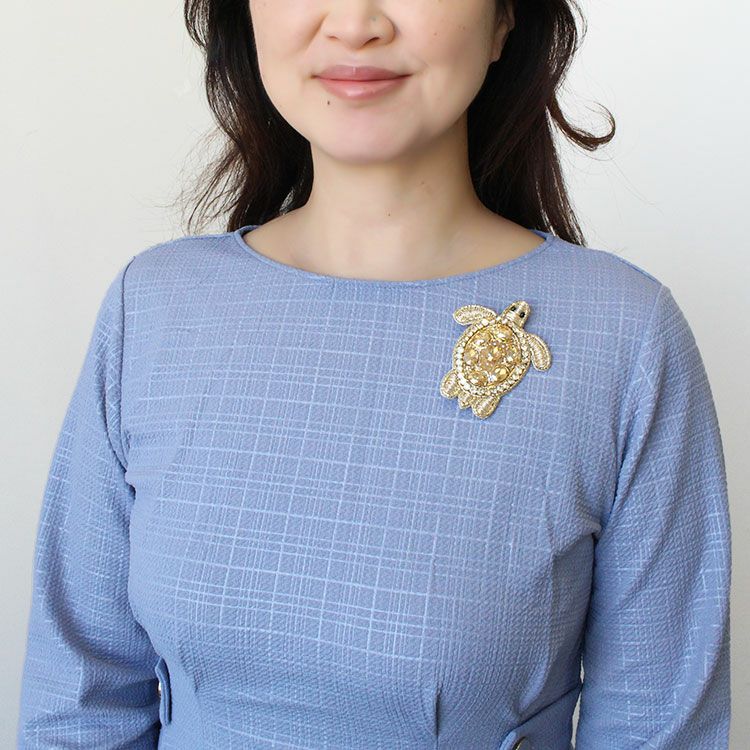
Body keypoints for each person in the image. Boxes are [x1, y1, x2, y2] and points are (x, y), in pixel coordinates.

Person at [17, 1, 731, 748]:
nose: (355, 23)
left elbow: (658, 730)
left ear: (504, 18)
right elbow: (79, 710)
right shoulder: (153, 308)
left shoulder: (624, 337)